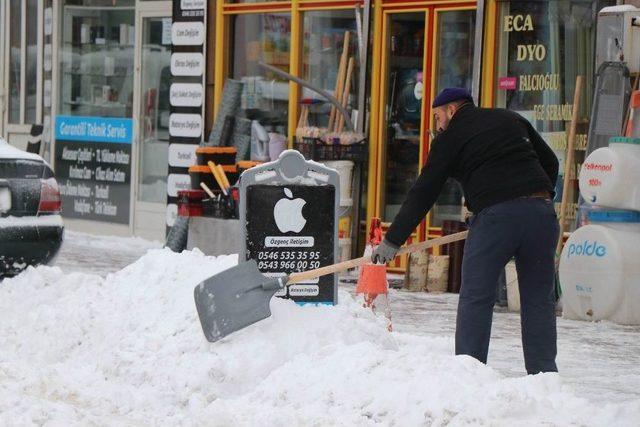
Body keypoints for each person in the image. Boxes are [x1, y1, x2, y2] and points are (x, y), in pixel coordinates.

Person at [372, 87, 560, 374]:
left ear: (451, 110)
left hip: (496, 219)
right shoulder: (510, 118)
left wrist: (393, 240)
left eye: (437, 117)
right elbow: (550, 161)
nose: (437, 126)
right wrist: (536, 197)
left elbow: (424, 191)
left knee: (477, 296)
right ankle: (545, 375)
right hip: (541, 215)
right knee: (538, 299)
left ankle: (469, 374)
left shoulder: (451, 137)